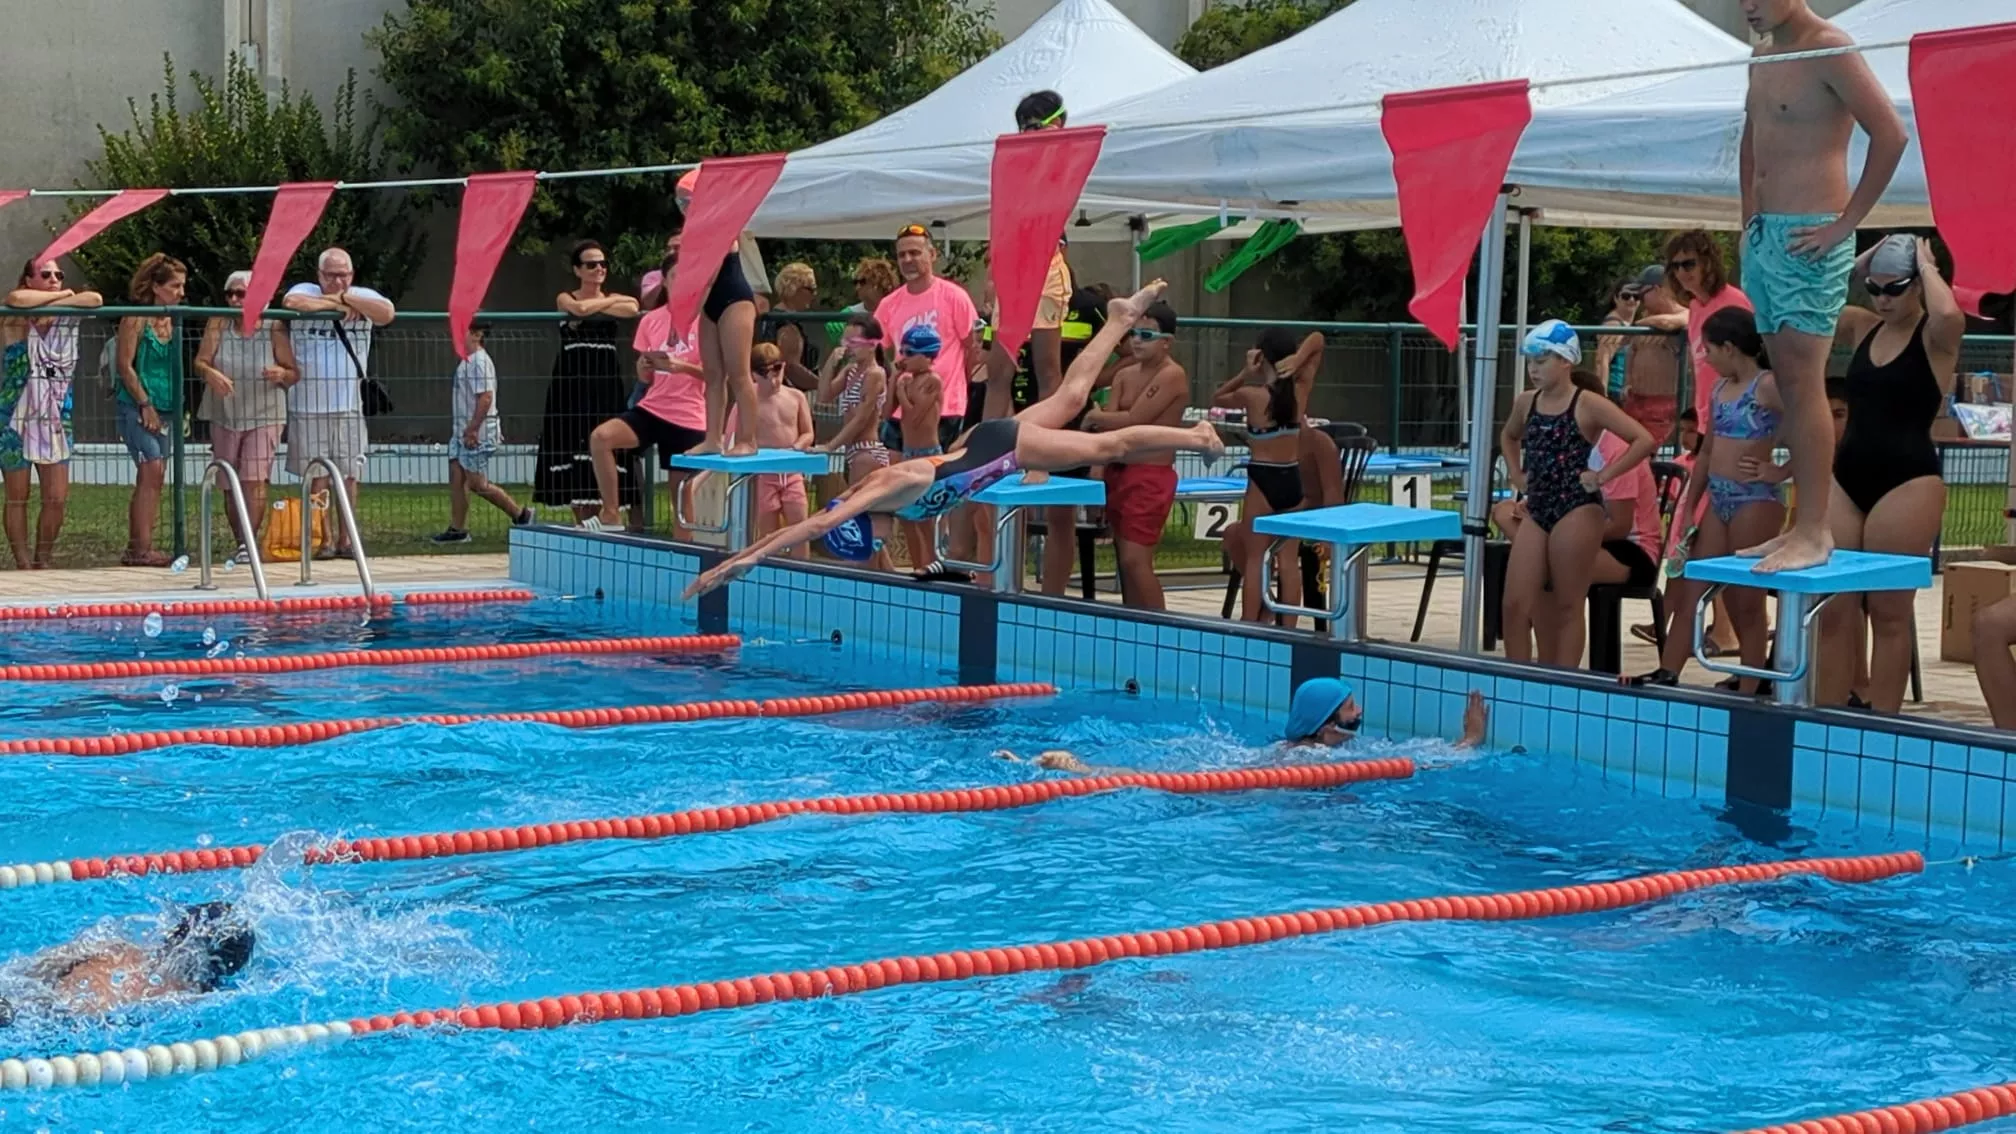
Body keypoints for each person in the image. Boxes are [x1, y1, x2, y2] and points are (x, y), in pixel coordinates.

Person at [685, 282, 1224, 597]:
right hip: (983, 445)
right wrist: (738, 558)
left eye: (868, 534)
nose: (878, 536)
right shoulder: (871, 504)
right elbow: (816, 521)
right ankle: (1119, 320)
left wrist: (738, 564)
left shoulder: (883, 487)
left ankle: (1195, 436)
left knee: (1108, 445)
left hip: (1003, 448)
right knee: (1072, 396)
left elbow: (816, 523)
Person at [1737, 0, 1908, 574]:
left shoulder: (1831, 45)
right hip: (1766, 235)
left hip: (1811, 234)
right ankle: (1800, 522)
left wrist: (1845, 225)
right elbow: (1750, 138)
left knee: (1805, 382)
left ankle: (1815, 529)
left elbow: (1891, 135)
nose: (1748, 6)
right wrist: (1746, 220)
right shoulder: (1762, 54)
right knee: (1786, 381)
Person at [1813, 235, 1961, 712]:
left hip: (1908, 481)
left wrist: (1926, 263)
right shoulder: (1862, 327)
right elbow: (1816, 297)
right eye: (1874, 289)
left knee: (1887, 611)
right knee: (1834, 606)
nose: (1882, 299)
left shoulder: (1935, 339)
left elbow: (1950, 315)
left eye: (1894, 288)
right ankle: (1828, 717)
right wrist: (1862, 261)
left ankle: (1884, 723)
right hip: (1849, 474)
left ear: (1917, 284)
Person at [1631, 308, 1786, 691]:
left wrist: (1781, 471)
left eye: (1709, 350)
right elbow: (1708, 454)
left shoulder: (1767, 386)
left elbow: (1811, 431)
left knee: (1745, 600)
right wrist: (1688, 508)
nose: (1705, 359)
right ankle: (1668, 671)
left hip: (1755, 498)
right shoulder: (1718, 391)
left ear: (1730, 348)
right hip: (1719, 498)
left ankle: (1754, 681)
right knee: (1692, 586)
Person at [1499, 320, 1656, 668]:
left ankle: (1565, 685)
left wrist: (1602, 476)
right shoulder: (1527, 403)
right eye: (1530, 362)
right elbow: (1508, 436)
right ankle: (1516, 682)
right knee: (1514, 604)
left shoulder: (1587, 404)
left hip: (1577, 508)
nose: (1533, 369)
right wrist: (1516, 473)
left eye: (1542, 361)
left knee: (1568, 604)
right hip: (1539, 508)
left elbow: (1643, 440)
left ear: (1566, 361)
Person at [282, 247, 397, 560]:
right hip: (308, 403)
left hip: (348, 404)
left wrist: (346, 298)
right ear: (319, 275)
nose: (337, 280)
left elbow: (386, 313)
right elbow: (292, 303)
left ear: (352, 275)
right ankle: (324, 539)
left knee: (348, 474)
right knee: (316, 475)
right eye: (331, 275)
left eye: (343, 274)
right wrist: (337, 302)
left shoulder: (362, 294)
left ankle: (348, 539)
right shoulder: (304, 290)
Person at [585, 263, 708, 533]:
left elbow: (716, 375)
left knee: (681, 499)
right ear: (665, 281)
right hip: (653, 407)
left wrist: (682, 366)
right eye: (676, 276)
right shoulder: (652, 320)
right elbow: (645, 375)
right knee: (601, 437)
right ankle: (611, 513)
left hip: (688, 415)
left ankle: (683, 555)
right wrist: (643, 371)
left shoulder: (705, 321)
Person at [1213, 327, 1324, 624]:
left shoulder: (1252, 395)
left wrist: (1244, 372)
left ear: (1260, 357)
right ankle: (1288, 627)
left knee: (1254, 560)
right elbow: (1318, 340)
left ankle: (1251, 625)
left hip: (1262, 478)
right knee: (1288, 562)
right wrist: (1300, 358)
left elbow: (1218, 397)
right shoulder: (1300, 391)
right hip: (1291, 477)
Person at [1081, 300, 1187, 610]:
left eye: (1147, 335)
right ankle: (1134, 626)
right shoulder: (1124, 376)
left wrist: (1095, 416)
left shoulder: (1172, 375)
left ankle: (1160, 631)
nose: (1137, 341)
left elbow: (1135, 420)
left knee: (1135, 560)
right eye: (1134, 334)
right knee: (1124, 561)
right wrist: (1097, 477)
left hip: (1150, 476)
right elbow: (1109, 435)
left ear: (1167, 342)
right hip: (1118, 473)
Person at [0, 902, 254, 1024]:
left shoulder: (114, 946)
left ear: (174, 931)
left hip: (25, 1003)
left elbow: (30, 968)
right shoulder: (181, 1001)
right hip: (41, 1024)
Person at [194, 270, 298, 563]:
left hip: (264, 412)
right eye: (232, 294)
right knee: (228, 480)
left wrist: (281, 373)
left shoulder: (273, 326)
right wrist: (210, 373)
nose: (237, 300)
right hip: (224, 411)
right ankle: (241, 540)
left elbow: (293, 373)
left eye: (243, 294)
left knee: (254, 478)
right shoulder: (219, 323)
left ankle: (249, 544)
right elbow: (200, 362)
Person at [2, 259, 100, 570]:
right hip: (16, 415)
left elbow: (94, 299)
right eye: (46, 275)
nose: (55, 279)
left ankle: (43, 558)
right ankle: (23, 562)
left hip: (57, 415)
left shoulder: (65, 312)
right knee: (18, 495)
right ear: (28, 279)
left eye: (59, 275)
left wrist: (61, 298)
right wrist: (63, 298)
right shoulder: (15, 318)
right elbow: (16, 300)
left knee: (56, 496)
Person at [533, 240, 639, 523]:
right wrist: (607, 302)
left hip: (605, 380)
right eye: (591, 264)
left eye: (603, 264)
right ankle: (582, 520)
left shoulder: (616, 298)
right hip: (573, 381)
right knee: (573, 440)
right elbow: (576, 310)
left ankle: (610, 511)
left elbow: (632, 307)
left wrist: (602, 302)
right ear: (577, 270)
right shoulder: (565, 297)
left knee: (606, 437)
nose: (599, 269)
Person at [670, 171, 768, 458]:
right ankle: (713, 437)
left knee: (739, 374)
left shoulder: (723, 223)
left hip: (734, 299)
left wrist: (684, 314)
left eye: (689, 199)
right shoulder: (691, 232)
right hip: (709, 303)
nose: (685, 207)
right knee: (713, 375)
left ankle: (748, 439)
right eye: (681, 201)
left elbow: (708, 275)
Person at [113, 254, 186, 568]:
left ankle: (141, 545)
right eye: (175, 286)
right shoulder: (136, 317)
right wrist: (146, 404)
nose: (181, 292)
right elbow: (124, 366)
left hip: (167, 407)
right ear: (156, 287)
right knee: (151, 469)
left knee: (156, 476)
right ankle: (138, 547)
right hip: (137, 406)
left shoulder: (173, 317)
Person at [432, 322, 533, 543]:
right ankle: (457, 528)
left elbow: (485, 397)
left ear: (477, 335)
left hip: (475, 433)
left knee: (477, 484)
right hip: (462, 432)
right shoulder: (467, 362)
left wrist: (473, 429)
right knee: (457, 477)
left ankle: (520, 514)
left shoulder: (479, 362)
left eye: (463, 332)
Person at [814, 312, 896, 571]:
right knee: (866, 517)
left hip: (867, 453)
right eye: (845, 342)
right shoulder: (851, 371)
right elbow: (824, 396)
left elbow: (861, 420)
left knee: (860, 516)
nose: (847, 348)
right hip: (854, 452)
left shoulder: (875, 374)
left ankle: (867, 571)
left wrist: (830, 446)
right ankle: (889, 575)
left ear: (872, 344)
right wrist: (831, 363)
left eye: (853, 343)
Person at [724, 342, 814, 557]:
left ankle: (803, 575)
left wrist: (796, 448)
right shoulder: (747, 401)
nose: (773, 382)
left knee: (800, 528)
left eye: (778, 373)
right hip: (764, 474)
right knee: (767, 534)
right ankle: (771, 573)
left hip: (791, 471)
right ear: (753, 375)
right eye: (766, 376)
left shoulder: (796, 397)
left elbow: (808, 433)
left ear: (783, 367)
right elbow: (730, 438)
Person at [1284, 679, 1489, 749]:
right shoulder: (1318, 757)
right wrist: (1471, 739)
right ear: (1328, 726)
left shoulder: (1284, 748)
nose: (1359, 710)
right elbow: (1420, 762)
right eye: (1350, 707)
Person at [1621, 265, 1687, 449]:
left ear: (1657, 289)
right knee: (1622, 449)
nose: (1639, 301)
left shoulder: (1684, 315)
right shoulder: (1648, 318)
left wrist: (1635, 326)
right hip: (1635, 401)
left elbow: (1669, 322)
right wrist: (1627, 381)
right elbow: (1631, 350)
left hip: (1662, 405)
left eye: (1642, 295)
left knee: (1643, 452)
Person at [759, 261, 822, 390]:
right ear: (795, 288)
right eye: (811, 289)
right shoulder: (787, 325)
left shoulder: (771, 318)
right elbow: (791, 368)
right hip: (784, 394)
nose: (814, 295)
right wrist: (823, 386)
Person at [1594, 276, 1641, 403]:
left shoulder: (1629, 324)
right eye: (1626, 296)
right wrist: (1602, 397)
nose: (1631, 300)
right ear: (1616, 298)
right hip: (1614, 393)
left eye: (1636, 296)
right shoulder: (1613, 325)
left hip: (1625, 393)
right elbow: (1601, 362)